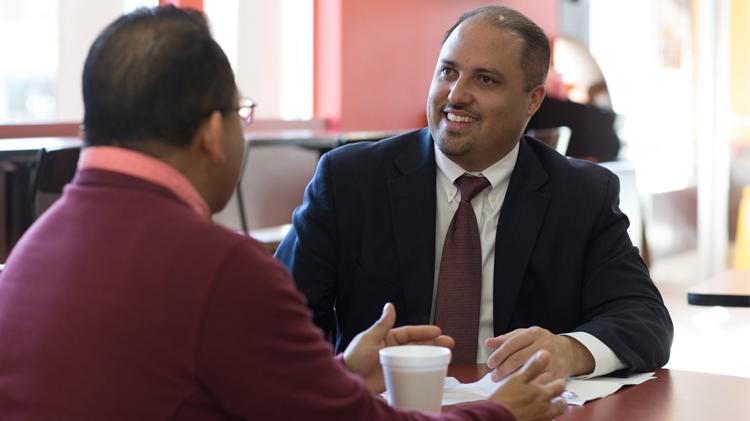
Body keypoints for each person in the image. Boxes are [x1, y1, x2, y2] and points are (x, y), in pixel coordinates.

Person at [0, 6, 567, 421]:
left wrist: (339, 376)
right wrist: (502, 413)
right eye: (241, 114)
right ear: (212, 134)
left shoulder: (30, 252)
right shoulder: (219, 269)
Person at [275, 5, 673, 382]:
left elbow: (644, 318)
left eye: (485, 79)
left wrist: (569, 351)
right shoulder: (349, 180)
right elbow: (277, 315)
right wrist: (339, 374)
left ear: (532, 100)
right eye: (448, 72)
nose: (456, 95)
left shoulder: (581, 194)